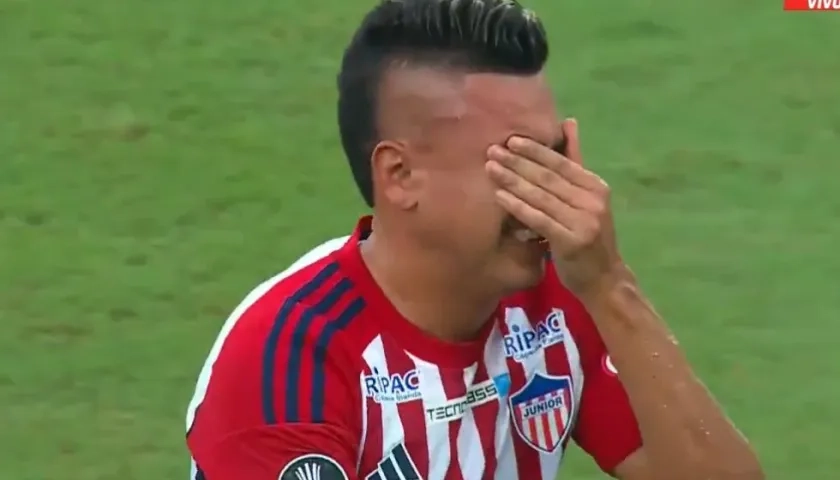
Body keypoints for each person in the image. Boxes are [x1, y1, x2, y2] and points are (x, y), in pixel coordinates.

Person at [185, 1, 765, 479]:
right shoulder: (287, 362)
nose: (547, 194)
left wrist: (611, 285)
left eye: (554, 158)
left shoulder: (561, 301)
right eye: (516, 163)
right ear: (400, 177)